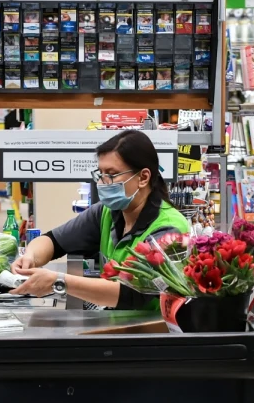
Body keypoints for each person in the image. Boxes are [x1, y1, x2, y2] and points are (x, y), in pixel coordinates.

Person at [10, 129, 189, 308]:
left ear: (143, 177)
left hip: (155, 330)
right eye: (101, 174)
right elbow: (54, 241)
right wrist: (31, 256)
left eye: (111, 175)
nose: (103, 183)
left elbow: (133, 293)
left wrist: (59, 281)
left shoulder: (169, 229)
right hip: (121, 326)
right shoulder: (107, 213)